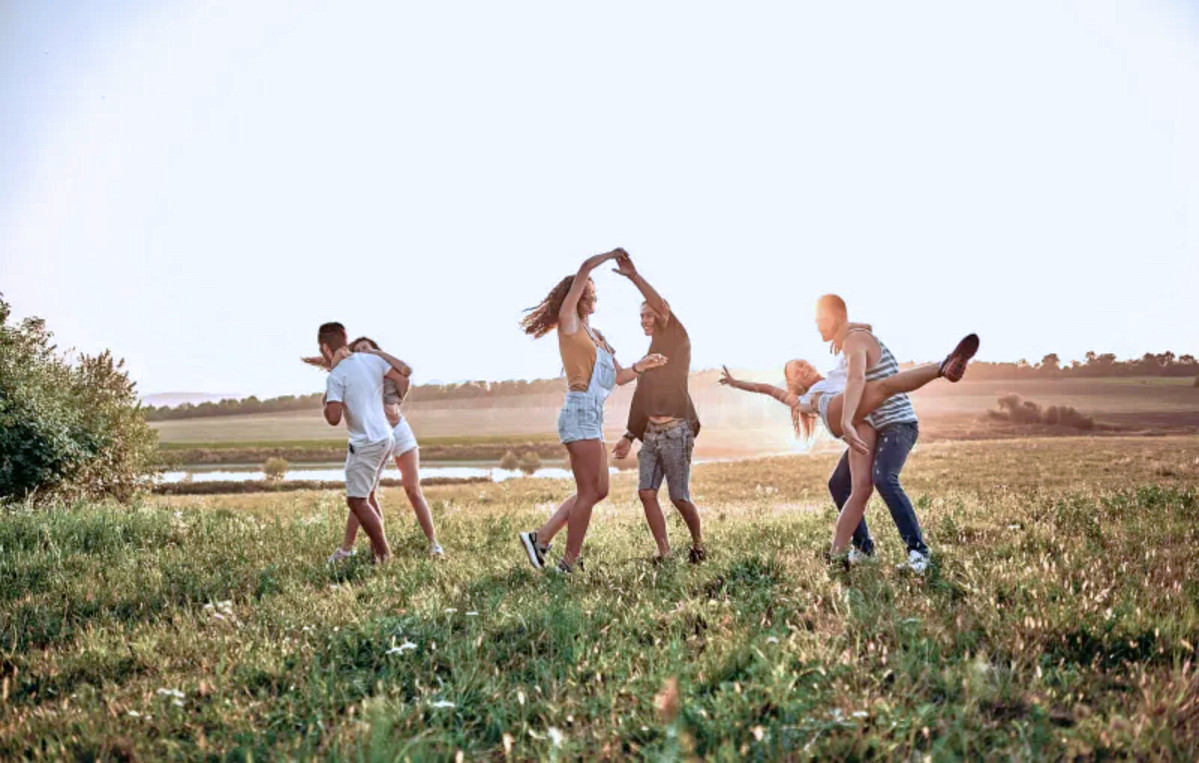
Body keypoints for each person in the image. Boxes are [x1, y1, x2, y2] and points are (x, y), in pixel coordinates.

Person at [721, 316, 978, 571]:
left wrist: (843, 332)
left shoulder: (840, 369)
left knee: (867, 483)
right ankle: (861, 548)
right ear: (795, 383)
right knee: (846, 481)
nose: (802, 368)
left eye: (801, 363)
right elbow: (768, 389)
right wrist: (737, 383)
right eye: (796, 371)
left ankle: (886, 551)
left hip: (869, 423)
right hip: (847, 419)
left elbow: (865, 334)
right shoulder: (806, 398)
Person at [516, 248, 668, 574]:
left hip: (594, 416)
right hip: (579, 412)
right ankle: (567, 564)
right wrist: (611, 255)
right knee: (587, 492)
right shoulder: (569, 324)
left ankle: (540, 538)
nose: (592, 297)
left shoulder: (597, 335)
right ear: (577, 295)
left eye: (593, 293)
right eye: (588, 292)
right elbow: (585, 267)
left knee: (600, 490)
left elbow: (620, 376)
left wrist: (643, 365)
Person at [609, 252, 705, 563]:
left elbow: (660, 305)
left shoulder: (677, 335)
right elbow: (640, 395)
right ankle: (664, 553)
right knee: (646, 493)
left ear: (663, 315)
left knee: (679, 497)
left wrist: (634, 277)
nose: (644, 320)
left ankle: (698, 545)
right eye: (641, 316)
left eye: (649, 315)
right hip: (651, 433)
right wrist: (629, 435)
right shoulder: (649, 355)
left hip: (677, 431)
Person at [324, 338, 443, 561]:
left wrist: (379, 354)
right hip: (377, 436)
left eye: (366, 347)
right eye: (358, 350)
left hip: (399, 433)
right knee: (364, 494)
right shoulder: (361, 377)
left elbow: (406, 373)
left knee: (412, 489)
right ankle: (352, 549)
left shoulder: (387, 374)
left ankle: (433, 544)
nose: (363, 352)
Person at [314, 322, 410, 563]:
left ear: (325, 348)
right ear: (345, 341)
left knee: (357, 501)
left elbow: (333, 418)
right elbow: (402, 378)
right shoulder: (371, 361)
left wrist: (326, 401)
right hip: (386, 437)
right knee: (367, 496)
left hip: (366, 442)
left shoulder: (336, 375)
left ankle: (385, 557)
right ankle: (377, 554)